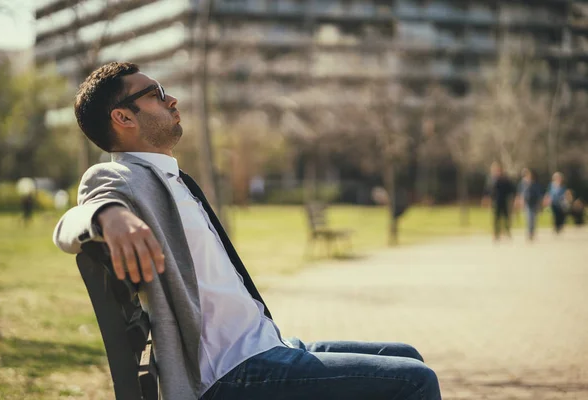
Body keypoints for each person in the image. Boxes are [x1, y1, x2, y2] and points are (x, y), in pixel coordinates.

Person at [52, 62, 441, 400]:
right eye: (157, 94)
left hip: (267, 345)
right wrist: (109, 215)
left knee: (406, 355)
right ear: (124, 118)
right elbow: (73, 220)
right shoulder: (121, 176)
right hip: (231, 371)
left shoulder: (169, 178)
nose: (173, 101)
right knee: (415, 383)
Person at [483, 161, 515, 241]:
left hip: (504, 201)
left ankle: (507, 231)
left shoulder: (505, 179)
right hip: (495, 201)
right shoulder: (491, 179)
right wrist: (486, 198)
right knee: (496, 218)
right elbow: (487, 190)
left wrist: (514, 198)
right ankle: (496, 234)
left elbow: (511, 189)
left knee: (506, 217)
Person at [515, 168, 542, 241]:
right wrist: (518, 201)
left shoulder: (535, 183)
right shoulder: (522, 184)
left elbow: (538, 194)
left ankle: (532, 232)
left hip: (534, 203)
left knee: (533, 219)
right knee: (529, 218)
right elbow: (520, 193)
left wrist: (539, 203)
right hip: (527, 203)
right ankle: (529, 233)